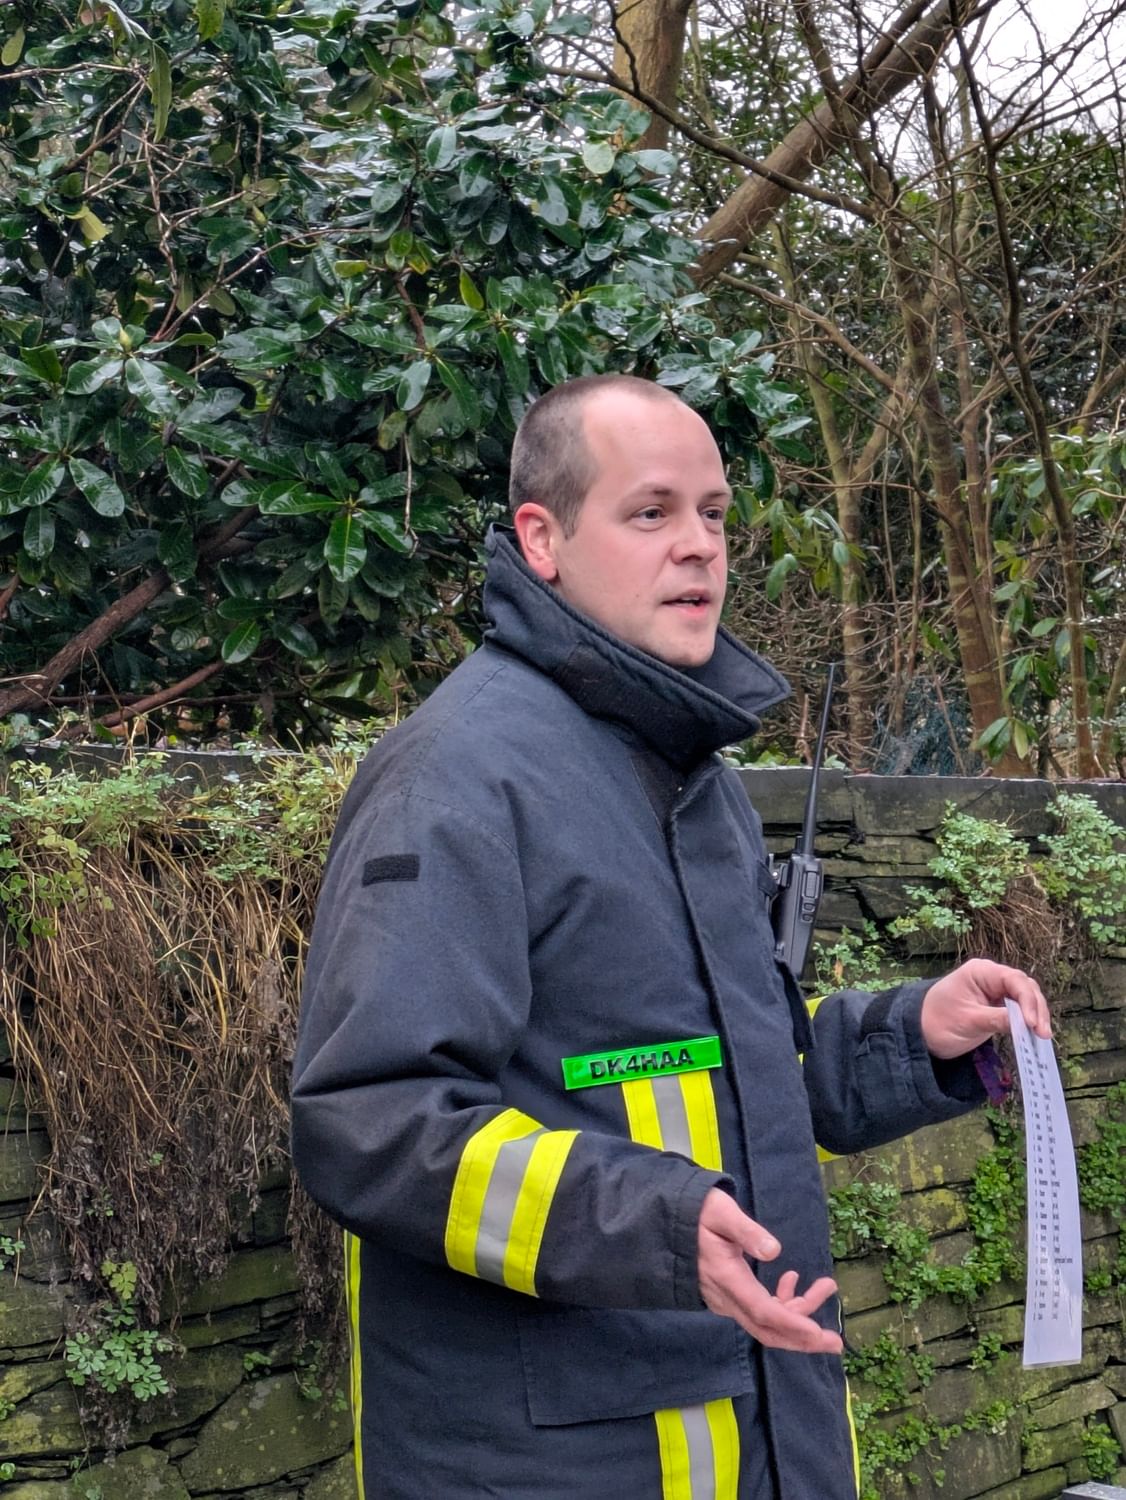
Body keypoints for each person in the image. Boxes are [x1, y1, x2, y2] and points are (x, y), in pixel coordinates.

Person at [291, 374, 1050, 1500]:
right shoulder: (454, 779)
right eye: (650, 512)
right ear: (542, 540)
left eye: (714, 513)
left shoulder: (692, 778)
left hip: (760, 1434)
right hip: (542, 1466)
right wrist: (653, 1223)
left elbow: (721, 1077)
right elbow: (370, 1121)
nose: (699, 545)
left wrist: (914, 1037)